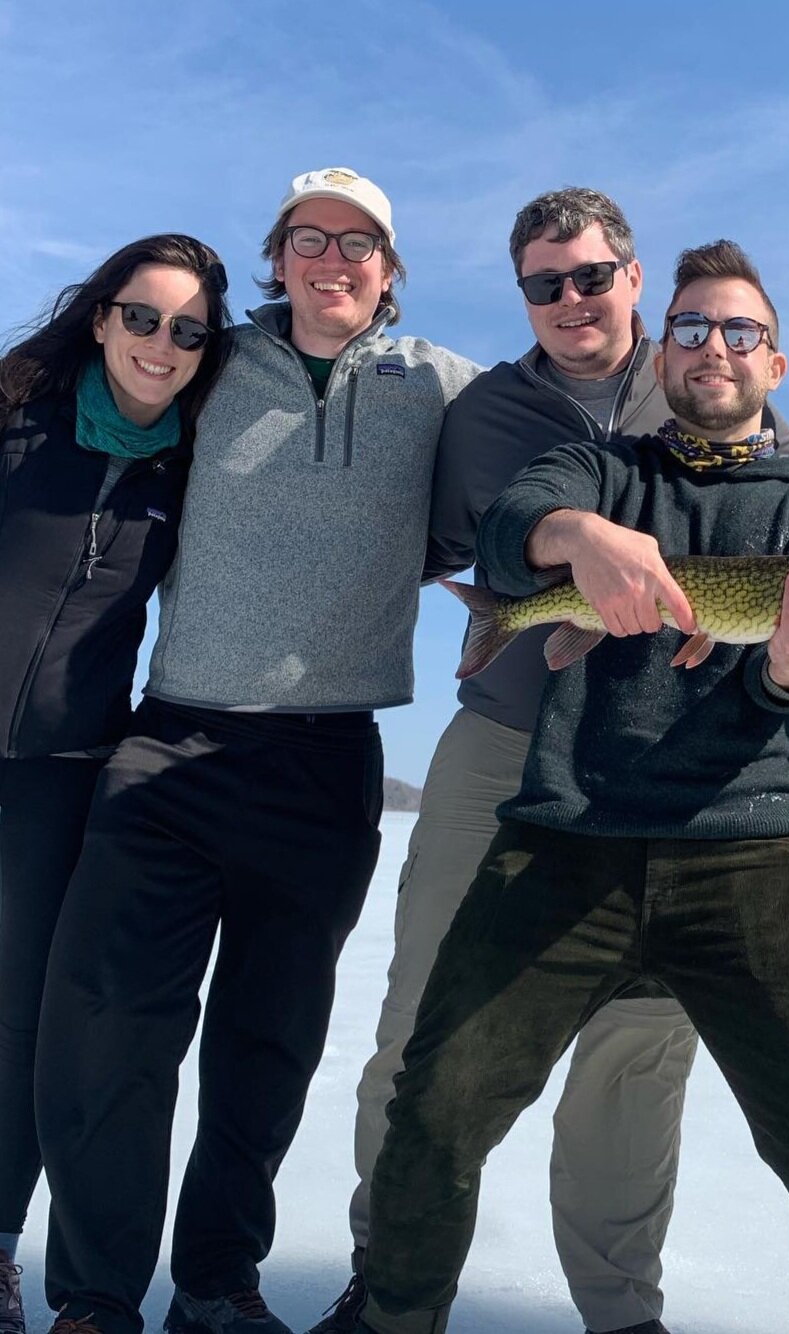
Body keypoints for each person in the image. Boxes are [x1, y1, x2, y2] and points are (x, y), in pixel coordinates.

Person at [356, 240, 789, 1334]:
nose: (715, 349)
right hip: (567, 832)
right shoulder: (604, 468)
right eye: (694, 328)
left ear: (775, 366)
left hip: (747, 842)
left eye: (740, 331)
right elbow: (513, 535)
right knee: (437, 1106)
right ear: (666, 348)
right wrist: (580, 536)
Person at [33, 168, 479, 1334]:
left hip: (327, 763)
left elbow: (547, 438)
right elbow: (77, 416)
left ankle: (217, 1282)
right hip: (172, 740)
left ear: (389, 269)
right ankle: (93, 1295)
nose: (334, 259)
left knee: (266, 1046)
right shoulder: (211, 360)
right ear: (277, 257)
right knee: (111, 1029)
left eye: (361, 243)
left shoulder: (438, 386)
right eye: (309, 238)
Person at [0, 235, 230, 1334]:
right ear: (101, 317)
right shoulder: (14, 422)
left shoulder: (188, 468)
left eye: (188, 331)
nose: (161, 344)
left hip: (62, 772)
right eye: (142, 317)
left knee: (18, 1021)